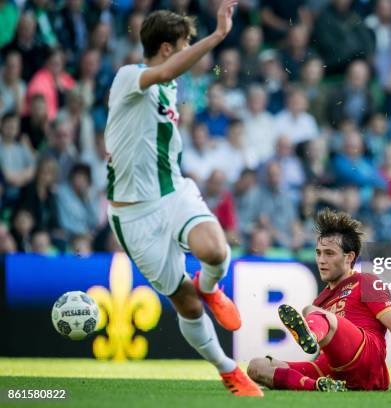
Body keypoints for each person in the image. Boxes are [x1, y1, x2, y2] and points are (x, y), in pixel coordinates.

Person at [103, 2, 262, 397]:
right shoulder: (130, 77)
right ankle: (227, 369)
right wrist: (219, 35)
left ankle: (212, 286)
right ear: (168, 48)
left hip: (173, 191)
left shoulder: (169, 87)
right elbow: (169, 70)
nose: (193, 52)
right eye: (187, 44)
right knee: (187, 305)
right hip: (134, 215)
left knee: (215, 250)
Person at [246, 208, 391, 391]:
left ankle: (310, 335)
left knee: (310, 311)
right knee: (257, 366)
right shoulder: (321, 300)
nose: (321, 260)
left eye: (329, 253)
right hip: (335, 369)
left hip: (366, 358)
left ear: (349, 257)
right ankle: (319, 386)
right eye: (318, 253)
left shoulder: (367, 281)